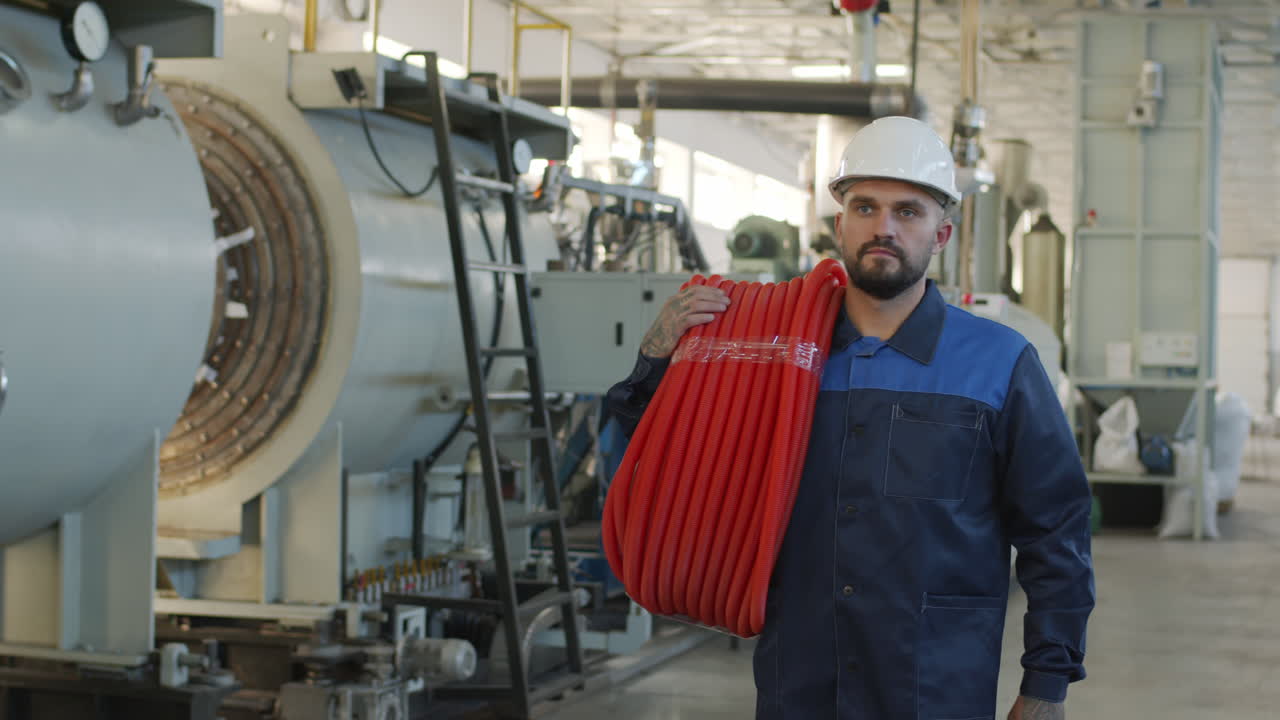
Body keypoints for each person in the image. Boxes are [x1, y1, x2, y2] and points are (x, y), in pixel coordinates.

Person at [604, 116, 1095, 720]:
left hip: (935, 687)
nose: (882, 228)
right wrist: (655, 359)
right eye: (865, 207)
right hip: (799, 681)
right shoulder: (778, 355)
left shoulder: (999, 363)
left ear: (941, 235)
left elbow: (1056, 531)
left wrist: (1047, 683)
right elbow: (673, 458)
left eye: (907, 212)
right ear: (840, 223)